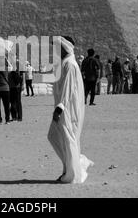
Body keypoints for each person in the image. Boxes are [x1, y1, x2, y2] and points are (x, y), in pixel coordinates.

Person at [48, 36, 93, 184]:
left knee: (68, 139)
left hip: (66, 109)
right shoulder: (65, 63)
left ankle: (72, 173)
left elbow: (67, 89)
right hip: (64, 107)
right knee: (57, 137)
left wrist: (59, 108)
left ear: (64, 47)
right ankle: (70, 167)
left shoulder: (70, 65)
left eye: (57, 47)